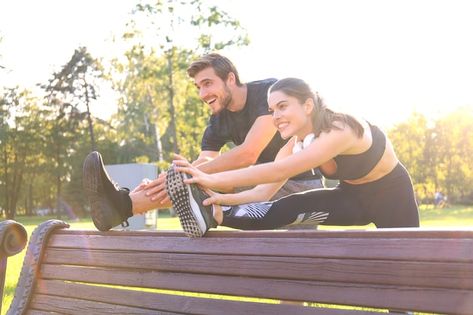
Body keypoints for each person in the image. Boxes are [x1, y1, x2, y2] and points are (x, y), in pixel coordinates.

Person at [83, 55, 323, 231]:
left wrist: (185, 175)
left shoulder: (268, 94)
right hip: (261, 183)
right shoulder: (218, 119)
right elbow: (206, 160)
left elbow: (248, 154)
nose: (202, 94)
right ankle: (121, 206)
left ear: (230, 79)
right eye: (198, 87)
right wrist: (172, 176)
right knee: (187, 180)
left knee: (191, 178)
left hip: (299, 185)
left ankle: (119, 207)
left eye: (207, 83)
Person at [167, 77, 420, 237]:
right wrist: (221, 199)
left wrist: (208, 177)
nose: (275, 116)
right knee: (288, 207)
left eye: (282, 106)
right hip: (352, 199)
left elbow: (277, 171)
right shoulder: (294, 144)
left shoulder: (340, 129)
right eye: (271, 110)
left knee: (408, 276)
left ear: (307, 106)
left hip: (392, 198)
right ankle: (215, 215)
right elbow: (261, 193)